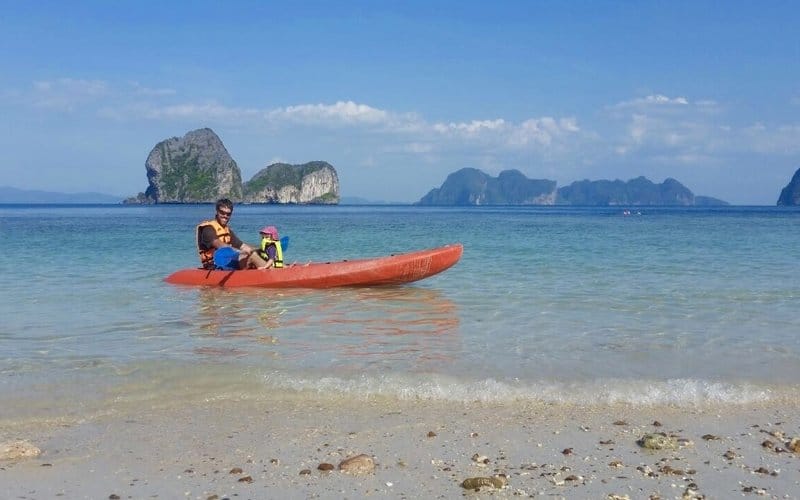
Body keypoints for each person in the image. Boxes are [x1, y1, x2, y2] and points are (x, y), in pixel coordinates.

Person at [196, 198, 269, 270]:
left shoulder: (227, 231)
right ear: (217, 211)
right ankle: (271, 275)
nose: (225, 216)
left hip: (228, 263)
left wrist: (262, 249)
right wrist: (242, 252)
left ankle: (268, 271)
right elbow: (220, 245)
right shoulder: (208, 229)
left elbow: (243, 246)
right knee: (252, 256)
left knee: (257, 254)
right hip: (215, 265)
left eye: (228, 214)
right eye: (222, 212)